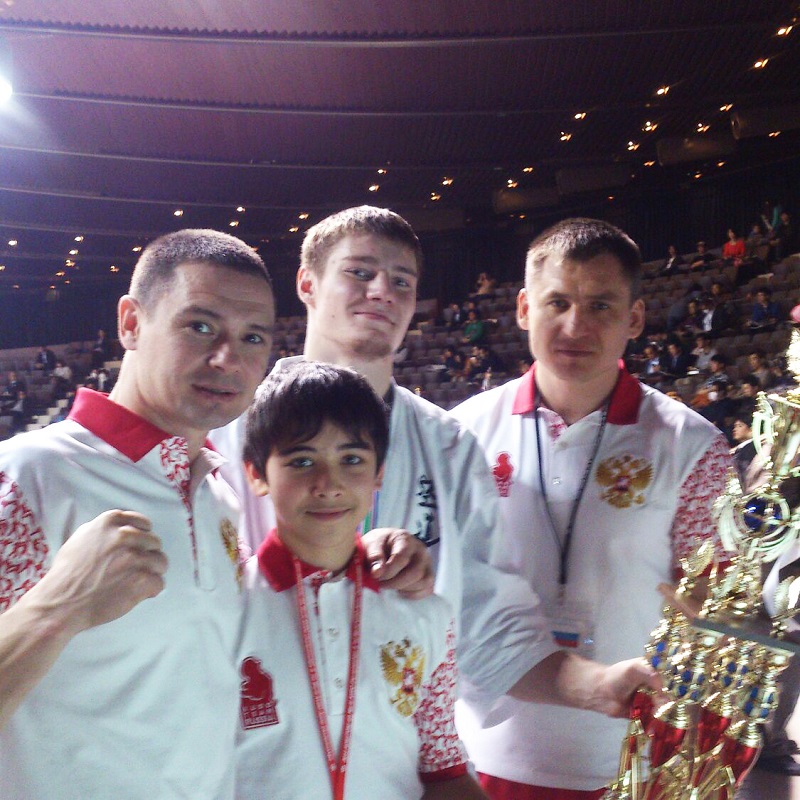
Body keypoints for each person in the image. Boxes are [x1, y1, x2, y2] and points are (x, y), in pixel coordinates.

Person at [0, 228, 427, 799]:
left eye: (253, 338)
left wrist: (370, 556)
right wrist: (57, 608)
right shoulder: (26, 478)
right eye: (200, 326)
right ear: (131, 323)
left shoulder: (216, 495)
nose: (229, 359)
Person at [212, 206, 660, 743]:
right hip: (255, 750)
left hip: (397, 756)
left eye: (401, 281)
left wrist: (599, 687)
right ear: (307, 284)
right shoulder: (227, 433)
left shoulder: (449, 446)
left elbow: (489, 622)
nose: (383, 291)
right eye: (360, 272)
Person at [449, 218, 730, 798]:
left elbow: (716, 609)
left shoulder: (693, 446)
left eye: (601, 306)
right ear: (524, 308)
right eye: (558, 302)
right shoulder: (461, 434)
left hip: (627, 759)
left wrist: (713, 618)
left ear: (635, 318)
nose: (576, 326)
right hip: (483, 752)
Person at [234, 361, 486, 799]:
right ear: (257, 474)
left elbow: (443, 770)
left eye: (351, 460)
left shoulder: (426, 613)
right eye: (301, 461)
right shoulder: (224, 610)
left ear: (379, 472)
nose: (328, 484)